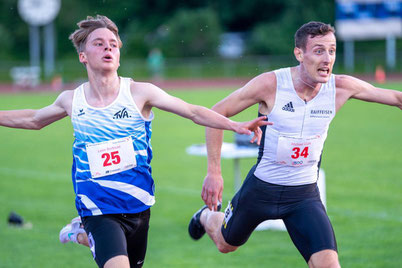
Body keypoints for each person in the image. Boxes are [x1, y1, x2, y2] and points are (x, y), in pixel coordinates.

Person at [0, 15, 270, 268]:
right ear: (83, 56)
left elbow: (192, 111)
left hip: (138, 205)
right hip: (97, 208)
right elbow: (34, 119)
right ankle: (87, 228)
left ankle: (80, 234)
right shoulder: (72, 100)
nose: (108, 49)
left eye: (113, 45)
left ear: (118, 56)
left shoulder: (139, 93)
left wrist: (235, 124)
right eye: (99, 44)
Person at [188, 21, 402, 268]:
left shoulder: (341, 87)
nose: (327, 59)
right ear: (299, 54)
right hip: (261, 190)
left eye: (332, 50)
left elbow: (396, 98)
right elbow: (216, 113)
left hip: (304, 196)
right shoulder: (271, 84)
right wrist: (214, 172)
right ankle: (205, 216)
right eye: (319, 50)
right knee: (227, 244)